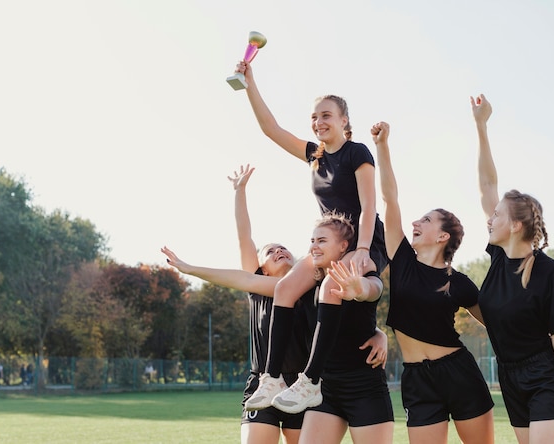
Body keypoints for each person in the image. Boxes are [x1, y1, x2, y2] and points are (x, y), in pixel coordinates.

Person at [162, 165, 387, 444]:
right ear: (262, 267)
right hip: (263, 382)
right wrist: (192, 268)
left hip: (301, 385)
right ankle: (271, 380)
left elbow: (347, 319)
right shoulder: (260, 287)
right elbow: (244, 239)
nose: (279, 250)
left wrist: (379, 333)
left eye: (284, 248)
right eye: (271, 251)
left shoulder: (312, 289)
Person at [236, 60, 389, 414]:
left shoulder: (358, 152)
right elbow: (270, 129)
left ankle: (311, 382)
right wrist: (250, 82)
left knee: (330, 288)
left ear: (344, 121)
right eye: (314, 117)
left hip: (361, 239)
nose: (319, 122)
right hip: (328, 242)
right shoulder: (314, 156)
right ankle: (272, 377)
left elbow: (369, 206)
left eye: (326, 116)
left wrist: (364, 249)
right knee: (287, 289)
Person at [472, 94, 554, 444]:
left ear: (516, 226)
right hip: (509, 377)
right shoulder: (499, 258)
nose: (491, 220)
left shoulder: (551, 274)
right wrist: (481, 126)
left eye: (499, 216)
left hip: (545, 377)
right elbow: (488, 185)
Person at [373, 121, 494, 444]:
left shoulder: (461, 283)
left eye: (425, 220)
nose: (415, 221)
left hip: (459, 374)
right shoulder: (401, 261)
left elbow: (498, 324)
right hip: (416, 379)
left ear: (442, 236)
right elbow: (389, 200)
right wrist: (382, 147)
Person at [296, 211, 393, 444]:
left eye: (321, 241)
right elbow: (250, 281)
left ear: (343, 246)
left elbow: (373, 289)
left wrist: (358, 290)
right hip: (325, 390)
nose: (314, 247)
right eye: (312, 241)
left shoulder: (362, 271)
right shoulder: (305, 283)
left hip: (364, 388)